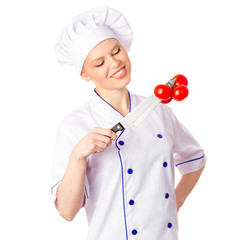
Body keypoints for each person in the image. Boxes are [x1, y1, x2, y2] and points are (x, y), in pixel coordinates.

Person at [51, 5, 206, 240]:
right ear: (84, 74)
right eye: (99, 63)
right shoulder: (74, 126)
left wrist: (176, 201)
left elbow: (195, 158)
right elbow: (67, 211)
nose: (114, 64)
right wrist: (78, 156)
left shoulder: (158, 110)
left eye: (116, 51)